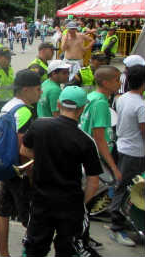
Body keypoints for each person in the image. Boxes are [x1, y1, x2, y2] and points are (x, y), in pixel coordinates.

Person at [21, 86, 103, 257]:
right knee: (67, 249)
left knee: (34, 248)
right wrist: (81, 202)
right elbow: (93, 182)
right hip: (70, 205)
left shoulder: (40, 125)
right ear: (82, 109)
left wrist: (41, 161)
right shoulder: (86, 141)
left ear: (58, 104)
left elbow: (24, 151)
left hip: (41, 200)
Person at [0, 69, 42, 257]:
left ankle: (4, 253)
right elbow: (24, 148)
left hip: (4, 166)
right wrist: (30, 175)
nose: (40, 93)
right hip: (19, 171)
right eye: (38, 89)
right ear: (26, 89)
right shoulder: (24, 112)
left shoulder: (7, 106)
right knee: (31, 218)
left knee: (3, 211)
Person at [108, 65, 145, 246]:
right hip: (135, 153)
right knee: (127, 189)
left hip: (123, 147)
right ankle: (116, 227)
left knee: (123, 187)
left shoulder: (122, 99)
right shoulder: (140, 105)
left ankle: (125, 222)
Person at [79, 66, 123, 184]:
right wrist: (113, 167)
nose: (120, 83)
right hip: (98, 158)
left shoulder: (91, 96)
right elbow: (99, 138)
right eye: (117, 80)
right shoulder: (101, 103)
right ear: (105, 83)